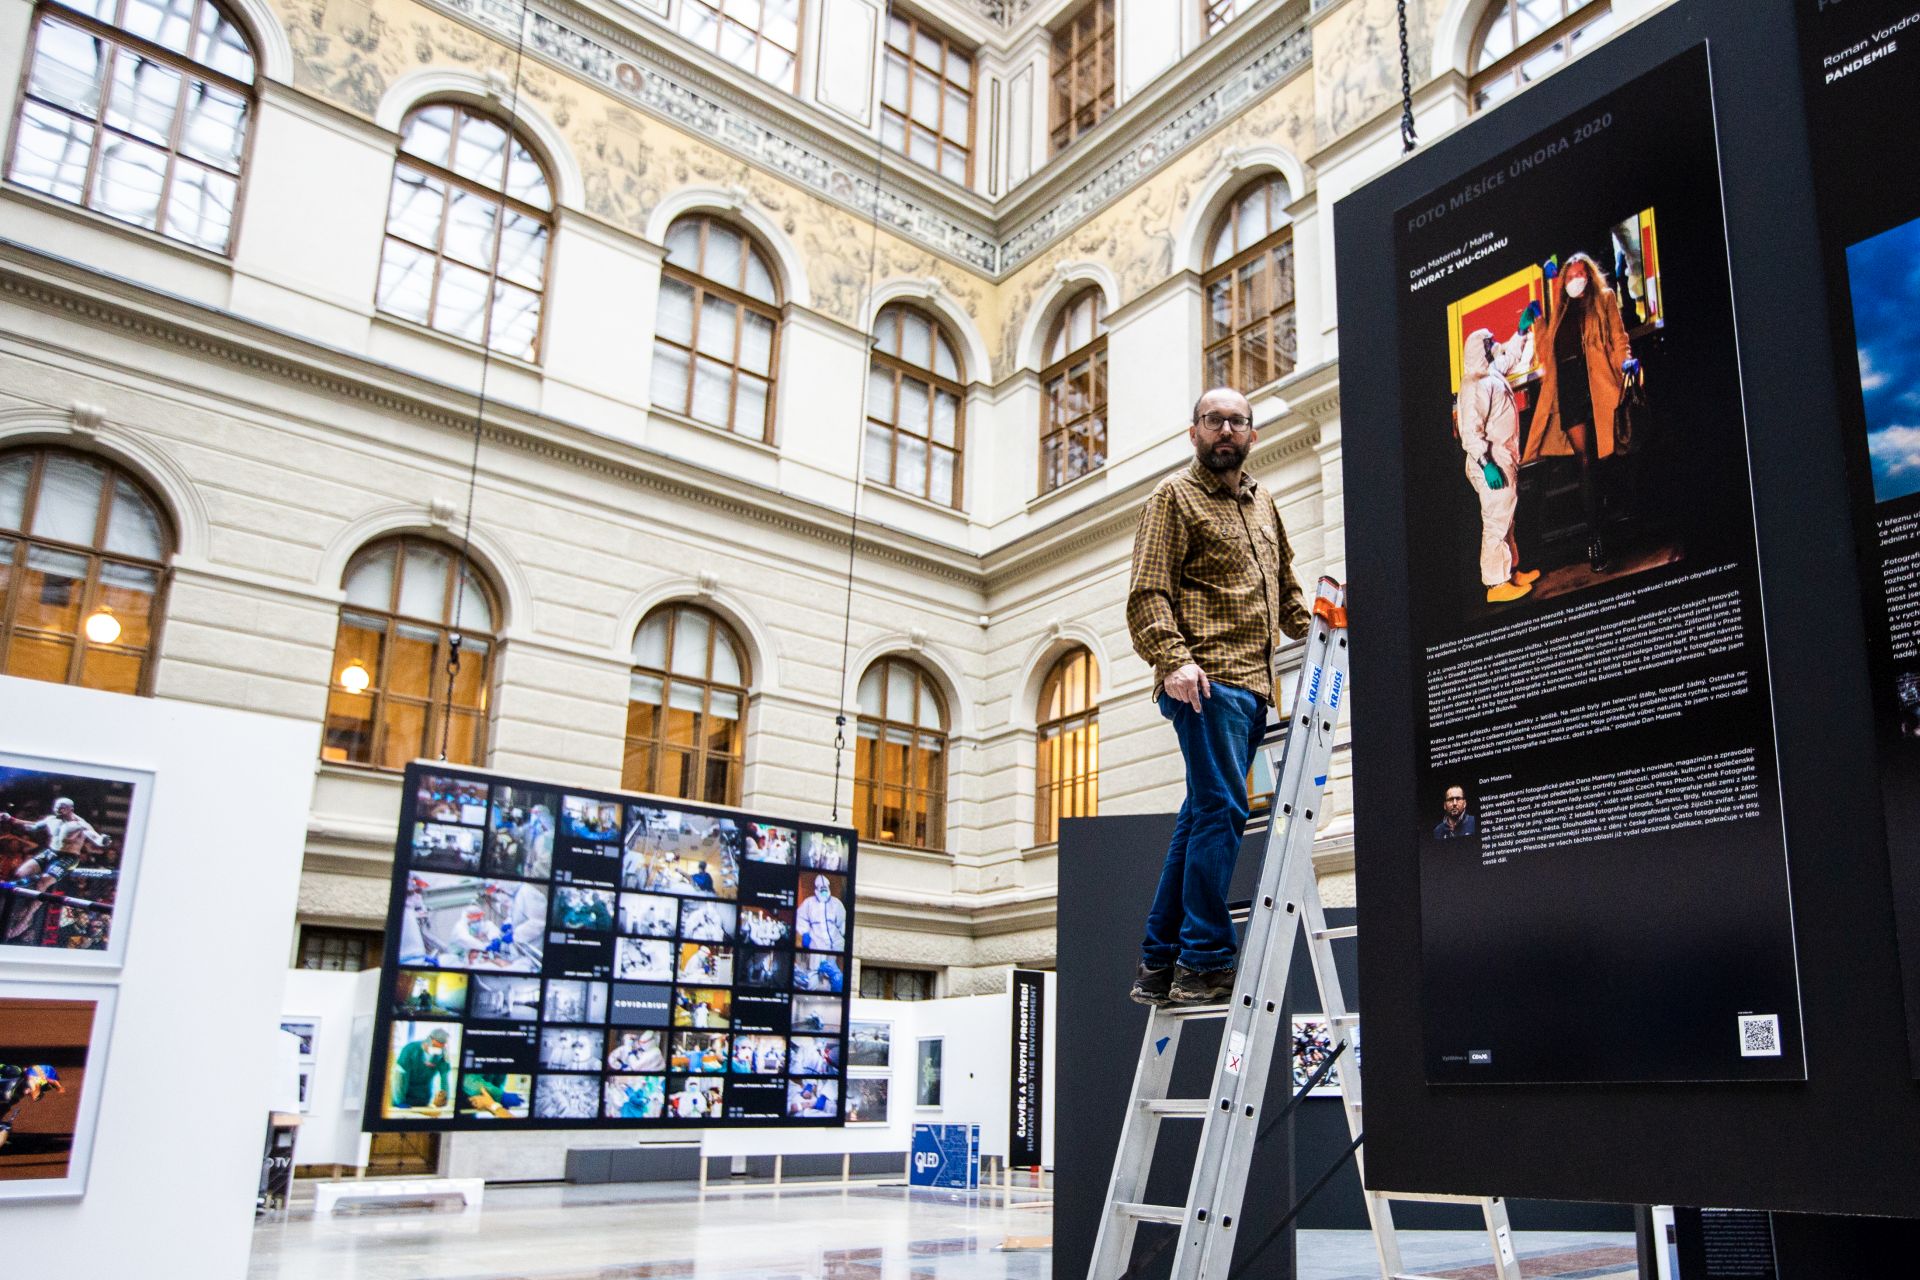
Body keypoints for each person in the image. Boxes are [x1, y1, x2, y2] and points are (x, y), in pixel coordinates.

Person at [1126, 388, 1312, 1008]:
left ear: (1252, 435)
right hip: (1203, 682)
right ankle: (1204, 959)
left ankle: (1158, 961)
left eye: (1237, 421)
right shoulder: (1172, 499)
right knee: (1224, 809)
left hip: (1256, 689)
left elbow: (1287, 595)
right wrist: (1172, 659)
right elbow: (1147, 593)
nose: (1225, 430)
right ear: (1194, 432)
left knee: (1202, 815)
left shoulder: (1265, 507)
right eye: (1214, 420)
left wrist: (1322, 631)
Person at [1520, 252, 1637, 571]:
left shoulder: (1605, 299)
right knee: (1585, 461)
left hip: (1599, 387)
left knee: (1609, 458)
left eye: (1580, 274)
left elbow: (1618, 338)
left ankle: (1616, 516)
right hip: (1570, 392)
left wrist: (1626, 364)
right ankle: (1595, 537)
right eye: (1569, 276)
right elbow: (1548, 354)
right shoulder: (1560, 311)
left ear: (1590, 276)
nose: (1575, 280)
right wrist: (1538, 323)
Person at [1457, 322, 1543, 604]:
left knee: (1506, 519)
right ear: (1479, 349)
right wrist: (1486, 463)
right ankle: (1496, 584)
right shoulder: (1473, 385)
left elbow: (1508, 356)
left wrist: (1520, 331)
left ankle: (1510, 571)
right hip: (1491, 462)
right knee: (1496, 521)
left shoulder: (1488, 373)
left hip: (1501, 457)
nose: (1494, 345)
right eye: (1489, 343)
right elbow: (1470, 432)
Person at [0, 1064, 61, 1149]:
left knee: (4, 1107)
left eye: (44, 1089)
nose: (41, 1092)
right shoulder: (15, 1072)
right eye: (43, 1086)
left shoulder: (16, 1094)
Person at [390, 1028, 452, 1112]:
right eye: (435, 1046)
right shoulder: (409, 1050)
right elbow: (400, 1078)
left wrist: (445, 1100)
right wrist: (400, 1101)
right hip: (403, 1096)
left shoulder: (442, 1054)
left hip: (424, 1098)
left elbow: (445, 1079)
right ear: (428, 1040)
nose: (436, 1050)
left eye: (440, 1048)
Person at [796, 874, 847, 951]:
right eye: (821, 889)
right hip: (816, 940)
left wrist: (843, 932)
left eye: (825, 889)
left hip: (835, 939)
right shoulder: (808, 902)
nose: (824, 892)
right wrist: (805, 933)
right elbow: (800, 917)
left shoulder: (836, 903)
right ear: (816, 890)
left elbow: (843, 920)